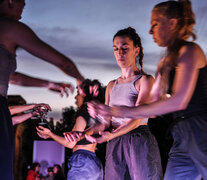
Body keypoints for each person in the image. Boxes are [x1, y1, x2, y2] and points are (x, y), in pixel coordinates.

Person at [88, 1, 207, 179]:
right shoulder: (164, 62)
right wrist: (101, 113)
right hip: (180, 134)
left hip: (200, 127)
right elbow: (152, 108)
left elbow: (179, 100)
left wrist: (118, 110)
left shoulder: (190, 51)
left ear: (172, 23)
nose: (150, 31)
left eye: (155, 24)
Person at [0, 0, 84, 179]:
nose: (24, 4)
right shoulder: (10, 27)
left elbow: (13, 78)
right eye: (22, 0)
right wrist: (82, 80)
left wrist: (48, 84)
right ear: (10, 1)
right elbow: (60, 61)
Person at [86, 27, 162, 180]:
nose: (120, 53)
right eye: (116, 49)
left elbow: (138, 117)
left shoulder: (145, 80)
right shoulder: (111, 85)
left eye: (125, 48)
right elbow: (104, 123)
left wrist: (111, 135)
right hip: (115, 142)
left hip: (138, 139)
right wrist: (83, 134)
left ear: (136, 50)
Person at [37, 79, 105, 180]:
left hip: (82, 162)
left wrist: (50, 134)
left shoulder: (83, 116)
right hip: (94, 162)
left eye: (78, 93)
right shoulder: (97, 117)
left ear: (85, 95)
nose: (75, 97)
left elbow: (70, 143)